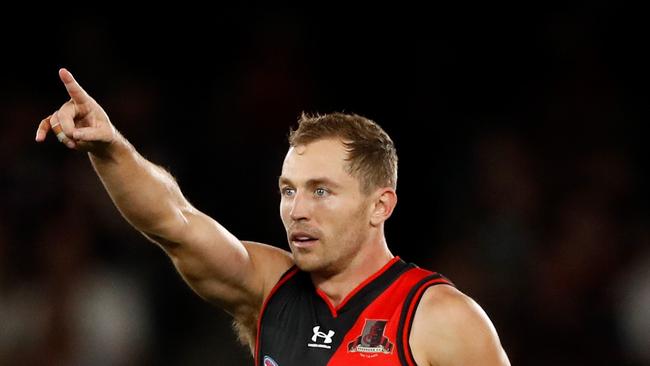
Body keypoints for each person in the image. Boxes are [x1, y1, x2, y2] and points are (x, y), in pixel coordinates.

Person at [36, 68, 510, 366]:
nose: (297, 211)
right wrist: (110, 147)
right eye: (289, 190)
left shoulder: (439, 318)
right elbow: (173, 221)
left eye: (321, 191)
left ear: (380, 206)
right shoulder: (269, 287)